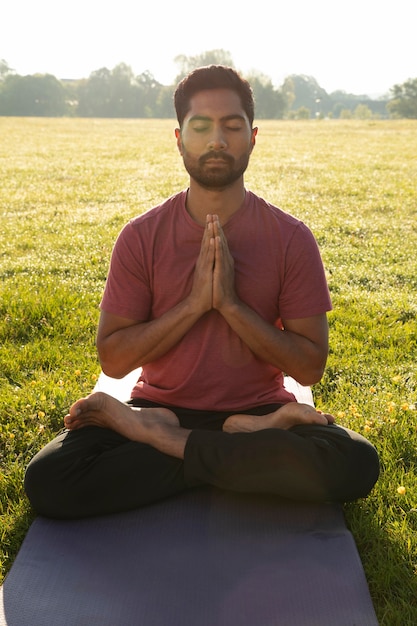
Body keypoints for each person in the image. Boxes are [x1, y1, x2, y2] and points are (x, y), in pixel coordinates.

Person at [24, 65, 379, 519]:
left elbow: (309, 369)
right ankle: (232, 450)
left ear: (252, 138)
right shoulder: (141, 236)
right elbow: (113, 359)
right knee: (52, 477)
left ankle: (168, 444)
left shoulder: (290, 238)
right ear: (179, 139)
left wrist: (230, 305)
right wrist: (193, 305)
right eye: (201, 127)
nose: (217, 140)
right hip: (161, 407)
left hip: (257, 408)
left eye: (232, 126)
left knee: (355, 463)